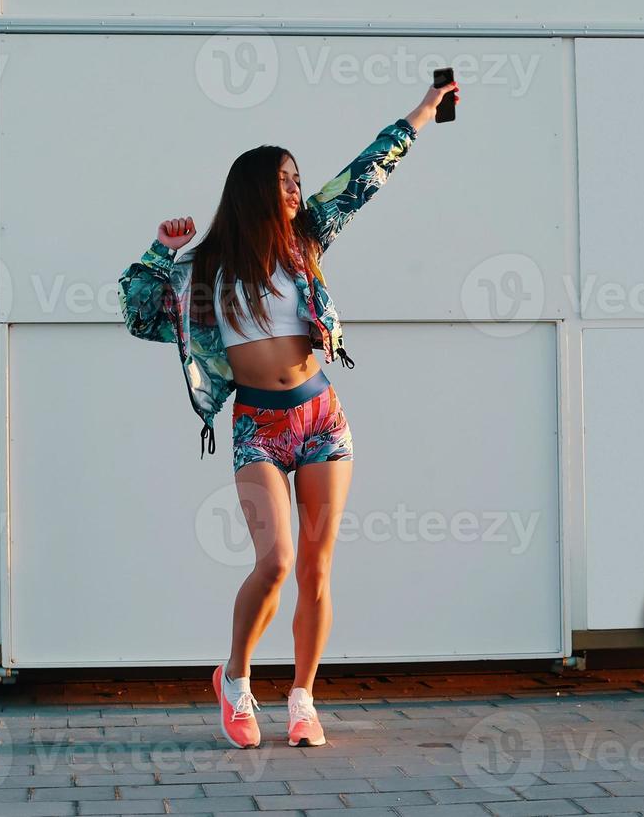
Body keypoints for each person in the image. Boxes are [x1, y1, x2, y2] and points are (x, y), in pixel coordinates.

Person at [117, 78, 460, 748]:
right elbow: (136, 314)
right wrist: (159, 249)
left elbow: (367, 172)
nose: (297, 189)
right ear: (252, 189)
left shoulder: (306, 241)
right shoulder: (203, 271)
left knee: (316, 567)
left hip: (322, 418)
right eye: (283, 179)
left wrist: (424, 110)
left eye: (298, 179)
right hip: (259, 426)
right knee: (273, 560)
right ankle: (236, 678)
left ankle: (302, 698)